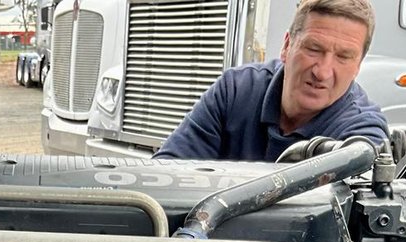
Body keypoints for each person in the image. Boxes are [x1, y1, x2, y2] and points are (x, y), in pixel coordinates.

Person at [155, 0, 388, 162]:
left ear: (358, 66)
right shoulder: (235, 90)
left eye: (343, 57)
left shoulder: (361, 135)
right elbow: (168, 171)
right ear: (287, 46)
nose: (323, 72)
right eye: (314, 49)